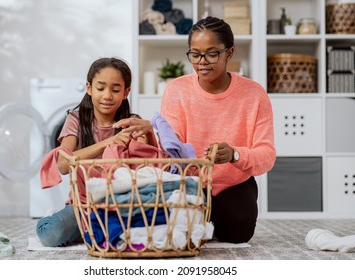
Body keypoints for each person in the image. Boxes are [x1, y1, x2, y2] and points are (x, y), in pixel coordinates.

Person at [116, 16, 276, 244]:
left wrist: (235, 154)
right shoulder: (177, 89)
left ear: (229, 53)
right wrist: (152, 132)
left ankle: (209, 221)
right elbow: (172, 147)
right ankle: (203, 221)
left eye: (212, 53)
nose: (202, 61)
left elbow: (266, 155)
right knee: (181, 230)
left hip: (234, 183)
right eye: (195, 54)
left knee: (238, 232)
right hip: (189, 182)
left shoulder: (254, 94)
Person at [36, 57, 156, 247]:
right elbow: (63, 165)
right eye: (100, 88)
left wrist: (148, 132)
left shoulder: (131, 122)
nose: (107, 95)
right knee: (52, 234)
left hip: (123, 202)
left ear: (126, 92)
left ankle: (89, 231)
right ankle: (56, 218)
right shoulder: (75, 119)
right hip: (84, 203)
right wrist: (109, 142)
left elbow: (149, 165)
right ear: (89, 88)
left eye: (115, 90)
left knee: (146, 233)